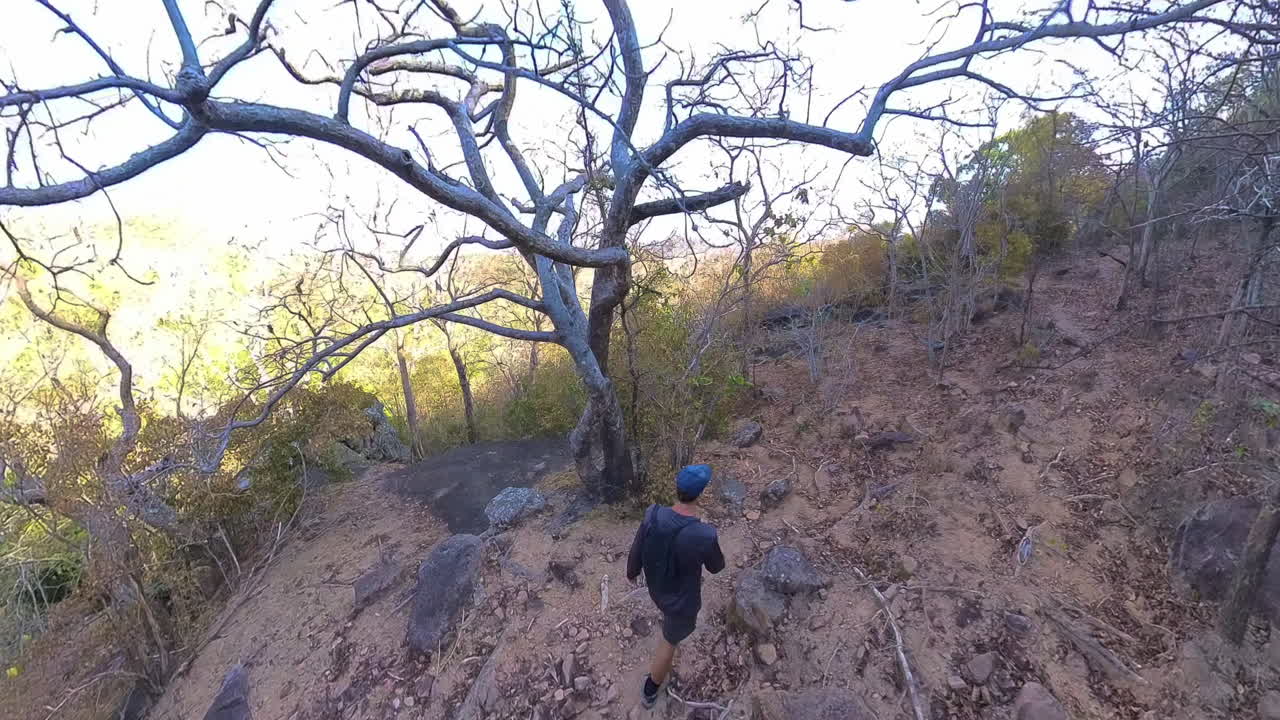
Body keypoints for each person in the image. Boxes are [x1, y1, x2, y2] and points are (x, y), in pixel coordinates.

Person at [626, 464, 726, 709]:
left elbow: (635, 552)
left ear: (677, 488)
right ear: (700, 493)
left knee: (670, 628)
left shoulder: (653, 513)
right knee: (669, 642)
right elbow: (717, 567)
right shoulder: (704, 534)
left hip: (656, 589)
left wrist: (632, 573)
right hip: (680, 603)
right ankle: (651, 690)